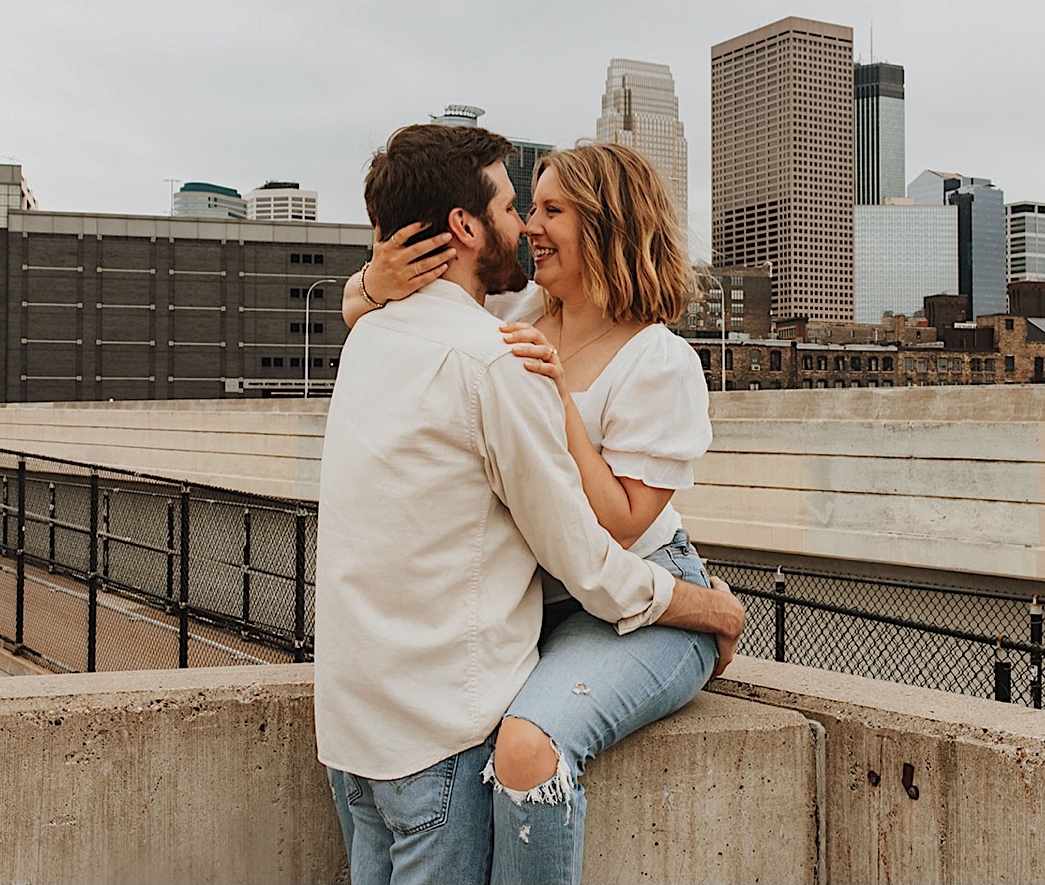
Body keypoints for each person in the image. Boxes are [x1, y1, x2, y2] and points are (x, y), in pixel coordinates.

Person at [315, 124, 744, 885]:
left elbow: (612, 529)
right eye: (524, 206)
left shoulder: (654, 357)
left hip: (636, 580)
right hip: (559, 592)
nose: (531, 228)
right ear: (466, 226)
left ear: (604, 224)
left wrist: (704, 608)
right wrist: (372, 285)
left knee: (526, 746)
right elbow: (401, 326)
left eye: (552, 211)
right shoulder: (506, 337)